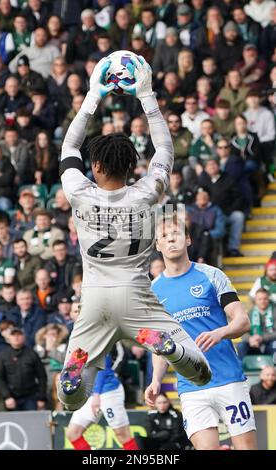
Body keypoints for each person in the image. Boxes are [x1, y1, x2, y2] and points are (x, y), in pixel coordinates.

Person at [57, 56, 211, 411]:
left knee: (73, 399)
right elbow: (165, 150)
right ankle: (168, 348)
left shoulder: (79, 191)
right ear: (131, 166)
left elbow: (67, 149)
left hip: (94, 298)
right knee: (199, 372)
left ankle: (73, 377)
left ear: (94, 166)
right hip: (137, 297)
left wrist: (93, 96)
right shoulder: (147, 192)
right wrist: (147, 96)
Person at [145, 212, 257, 450]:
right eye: (164, 236)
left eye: (176, 234)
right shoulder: (153, 292)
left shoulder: (212, 275)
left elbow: (242, 321)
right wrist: (155, 380)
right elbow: (160, 345)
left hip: (229, 380)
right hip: (191, 387)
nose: (171, 239)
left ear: (187, 240)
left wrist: (220, 333)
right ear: (157, 245)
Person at [66, 344, 139, 451]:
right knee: (73, 433)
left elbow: (101, 369)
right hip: (89, 392)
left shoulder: (98, 341)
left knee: (122, 435)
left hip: (109, 391)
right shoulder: (78, 340)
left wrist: (96, 395)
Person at [0, 327, 47, 411]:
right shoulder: (3, 355)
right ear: (8, 338)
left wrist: (41, 398)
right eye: (13, 335)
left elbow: (42, 376)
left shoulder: (32, 354)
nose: (16, 337)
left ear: (24, 337)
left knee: (31, 421)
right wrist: (7, 396)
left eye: (19, 334)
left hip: (31, 397)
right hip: (11, 397)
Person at [237, 288, 276, 358]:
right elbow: (243, 332)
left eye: (265, 299)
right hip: (253, 343)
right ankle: (243, 368)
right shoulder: (250, 313)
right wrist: (250, 339)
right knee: (241, 346)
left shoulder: (274, 312)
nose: (262, 301)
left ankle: (272, 368)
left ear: (268, 299)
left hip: (269, 342)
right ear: (255, 300)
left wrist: (262, 338)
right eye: (260, 299)